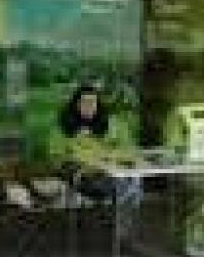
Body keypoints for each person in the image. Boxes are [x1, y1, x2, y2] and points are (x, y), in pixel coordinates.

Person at [59, 83, 142, 242]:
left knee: (133, 180)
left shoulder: (113, 123)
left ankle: (121, 230)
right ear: (76, 104)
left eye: (93, 102)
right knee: (130, 185)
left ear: (98, 105)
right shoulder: (64, 127)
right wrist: (102, 156)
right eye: (84, 102)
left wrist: (111, 156)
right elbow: (63, 157)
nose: (88, 106)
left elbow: (130, 150)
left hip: (113, 174)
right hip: (84, 177)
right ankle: (121, 229)